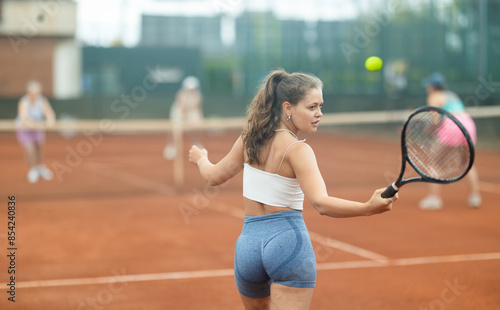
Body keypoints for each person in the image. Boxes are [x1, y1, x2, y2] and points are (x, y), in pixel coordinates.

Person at [188, 70, 395, 310]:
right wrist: (368, 207)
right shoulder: (298, 150)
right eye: (312, 107)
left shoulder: (248, 140)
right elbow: (321, 203)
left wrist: (201, 158)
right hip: (288, 244)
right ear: (288, 108)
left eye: (320, 106)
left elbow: (213, 177)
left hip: (248, 248)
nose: (319, 114)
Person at [419, 72, 481, 210]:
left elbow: (435, 121)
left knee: (434, 162)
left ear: (432, 86)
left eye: (428, 85)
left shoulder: (433, 96)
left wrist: (427, 130)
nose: (427, 87)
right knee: (467, 164)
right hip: (467, 124)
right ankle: (475, 197)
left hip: (451, 125)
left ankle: (434, 199)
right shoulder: (451, 94)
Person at [15, 80, 56, 183]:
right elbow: (24, 118)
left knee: (39, 148)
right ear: (28, 92)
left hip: (37, 128)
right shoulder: (23, 101)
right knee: (30, 149)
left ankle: (40, 167)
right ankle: (33, 170)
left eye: (38, 92)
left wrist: (50, 120)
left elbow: (49, 113)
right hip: (24, 129)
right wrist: (35, 125)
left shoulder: (42, 100)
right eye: (34, 92)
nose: (36, 94)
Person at [164, 76, 204, 160]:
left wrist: (199, 119)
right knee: (174, 128)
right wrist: (187, 120)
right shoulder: (181, 95)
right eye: (189, 89)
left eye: (193, 88)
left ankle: (196, 143)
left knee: (197, 127)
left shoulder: (198, 96)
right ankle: (171, 146)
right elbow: (183, 109)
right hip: (178, 113)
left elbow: (197, 108)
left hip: (191, 112)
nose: (191, 90)